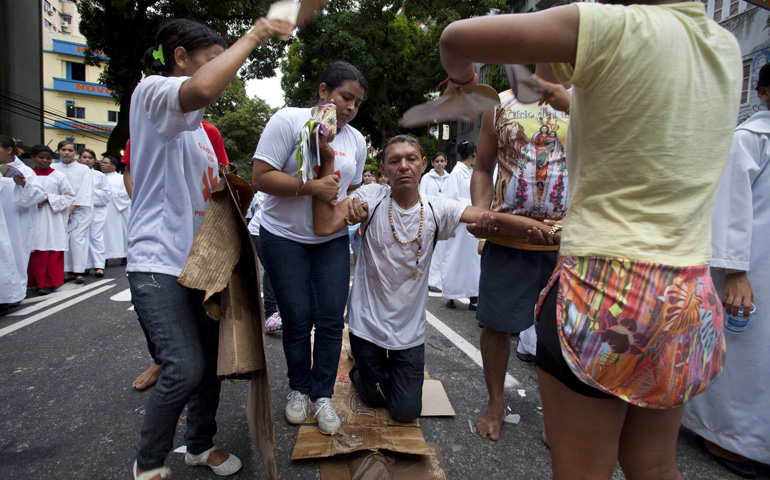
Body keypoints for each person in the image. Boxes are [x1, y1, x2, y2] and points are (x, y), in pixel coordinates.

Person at [440, 1, 741, 478]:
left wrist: (460, 80)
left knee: (583, 469)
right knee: (656, 466)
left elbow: (456, 39)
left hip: (606, 293)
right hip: (688, 298)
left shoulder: (610, 25)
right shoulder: (723, 45)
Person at [127, 17, 292, 480]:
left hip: (204, 264)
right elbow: (197, 91)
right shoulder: (152, 91)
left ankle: (199, 445)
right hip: (157, 261)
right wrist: (256, 34)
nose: (223, 73)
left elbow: (207, 189)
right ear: (180, 57)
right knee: (182, 366)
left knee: (209, 369)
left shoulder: (200, 131)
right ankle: (150, 462)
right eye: (212, 60)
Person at [312, 134, 549, 422]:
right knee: (373, 397)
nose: (403, 166)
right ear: (384, 169)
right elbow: (324, 226)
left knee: (405, 411)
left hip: (409, 333)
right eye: (394, 161)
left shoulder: (438, 207)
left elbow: (492, 219)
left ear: (423, 164)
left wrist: (548, 231)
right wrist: (329, 172)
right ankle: (362, 369)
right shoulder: (370, 197)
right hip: (367, 327)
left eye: (411, 159)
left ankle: (382, 374)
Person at [251, 61, 368, 436]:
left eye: (356, 103)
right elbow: (261, 176)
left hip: (330, 240)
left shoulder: (356, 141)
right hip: (283, 236)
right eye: (344, 97)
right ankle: (299, 389)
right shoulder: (288, 121)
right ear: (323, 91)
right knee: (298, 317)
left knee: (332, 319)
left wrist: (353, 209)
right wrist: (309, 187)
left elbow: (347, 192)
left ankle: (322, 395)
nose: (349, 108)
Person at [472, 64, 570, 441]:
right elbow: (483, 167)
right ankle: (496, 402)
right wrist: (482, 214)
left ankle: (560, 418)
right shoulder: (500, 104)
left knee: (564, 334)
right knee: (496, 324)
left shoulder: (587, 99)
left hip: (570, 244)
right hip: (508, 238)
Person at [682, 63, 770, 479]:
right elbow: (730, 204)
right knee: (744, 353)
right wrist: (734, 270)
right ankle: (725, 434)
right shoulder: (750, 139)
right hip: (749, 271)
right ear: (763, 92)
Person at [122, 122, 231, 392]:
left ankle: (200, 432)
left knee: (205, 341)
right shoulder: (150, 120)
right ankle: (161, 360)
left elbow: (222, 177)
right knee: (159, 326)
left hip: (202, 247)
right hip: (156, 250)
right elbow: (130, 172)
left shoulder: (210, 133)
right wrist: (147, 205)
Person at [0, 135, 46, 314]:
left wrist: (23, 185)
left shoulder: (25, 171)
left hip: (17, 222)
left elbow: (39, 195)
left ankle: (13, 296)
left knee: (15, 256)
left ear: (9, 150)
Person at [26, 145, 76, 295]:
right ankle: (34, 281)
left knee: (51, 248)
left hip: (52, 217)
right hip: (32, 216)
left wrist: (48, 199)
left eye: (48, 158)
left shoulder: (58, 176)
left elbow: (69, 196)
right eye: (41, 157)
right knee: (34, 248)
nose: (45, 161)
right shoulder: (28, 175)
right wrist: (32, 200)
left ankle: (49, 282)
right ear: (33, 158)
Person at [440, 140, 480, 310]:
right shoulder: (456, 173)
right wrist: (470, 205)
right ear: (473, 153)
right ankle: (451, 292)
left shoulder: (472, 172)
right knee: (456, 258)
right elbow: (450, 199)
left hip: (472, 221)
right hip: (460, 222)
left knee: (473, 260)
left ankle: (474, 295)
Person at [52, 140, 93, 284]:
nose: (67, 153)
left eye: (70, 150)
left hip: (80, 210)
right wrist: (62, 206)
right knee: (61, 240)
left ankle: (78, 271)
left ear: (75, 152)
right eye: (64, 150)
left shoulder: (83, 169)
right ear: (58, 151)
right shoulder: (53, 168)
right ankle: (65, 270)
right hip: (58, 209)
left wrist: (72, 208)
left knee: (77, 239)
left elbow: (85, 191)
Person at [246, 190, 281, 333]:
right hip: (260, 230)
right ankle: (270, 314)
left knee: (280, 269)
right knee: (272, 268)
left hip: (275, 230)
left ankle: (278, 309)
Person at [419, 152, 450, 290]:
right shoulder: (426, 177)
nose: (439, 163)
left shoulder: (451, 178)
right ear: (432, 163)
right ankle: (429, 278)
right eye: (437, 161)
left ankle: (442, 279)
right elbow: (422, 195)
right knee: (430, 248)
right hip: (431, 216)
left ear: (446, 162)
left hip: (445, 216)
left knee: (444, 250)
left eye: (442, 161)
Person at [79, 148, 110, 277]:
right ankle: (82, 266)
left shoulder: (99, 176)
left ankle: (98, 265)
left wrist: (90, 192)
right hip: (79, 210)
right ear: (79, 158)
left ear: (94, 160)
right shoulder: (76, 173)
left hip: (96, 210)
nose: (87, 160)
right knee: (80, 238)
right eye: (84, 157)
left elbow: (107, 195)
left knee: (95, 237)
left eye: (90, 158)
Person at [100, 155, 130, 264]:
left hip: (118, 211)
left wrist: (111, 195)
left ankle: (125, 256)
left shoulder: (121, 178)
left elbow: (126, 193)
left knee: (122, 233)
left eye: (105, 162)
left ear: (113, 166)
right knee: (104, 234)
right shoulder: (99, 177)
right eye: (101, 162)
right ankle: (105, 257)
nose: (102, 164)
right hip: (105, 211)